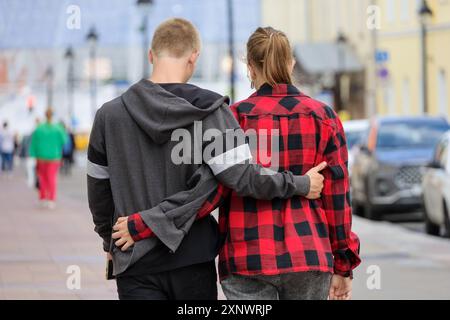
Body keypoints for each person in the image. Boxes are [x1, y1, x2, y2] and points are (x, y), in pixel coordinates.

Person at [87, 18, 326, 300]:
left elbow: (99, 192)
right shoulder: (211, 111)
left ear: (151, 55)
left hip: (134, 257)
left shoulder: (109, 116)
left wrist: (110, 242)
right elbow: (242, 178)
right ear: (194, 57)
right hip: (192, 258)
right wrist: (299, 183)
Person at [217, 27, 361, 300]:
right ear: (291, 63)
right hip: (307, 253)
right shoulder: (324, 117)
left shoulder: (233, 119)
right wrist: (343, 264)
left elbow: (216, 190)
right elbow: (337, 197)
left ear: (250, 67)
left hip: (248, 256)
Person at [29, 109, 67, 209]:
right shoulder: (58, 128)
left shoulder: (39, 128)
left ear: (45, 115)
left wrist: (33, 155)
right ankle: (51, 199)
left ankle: (42, 197)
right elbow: (64, 140)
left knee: (42, 178)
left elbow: (33, 144)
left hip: (41, 157)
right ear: (52, 115)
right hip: (54, 157)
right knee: (51, 178)